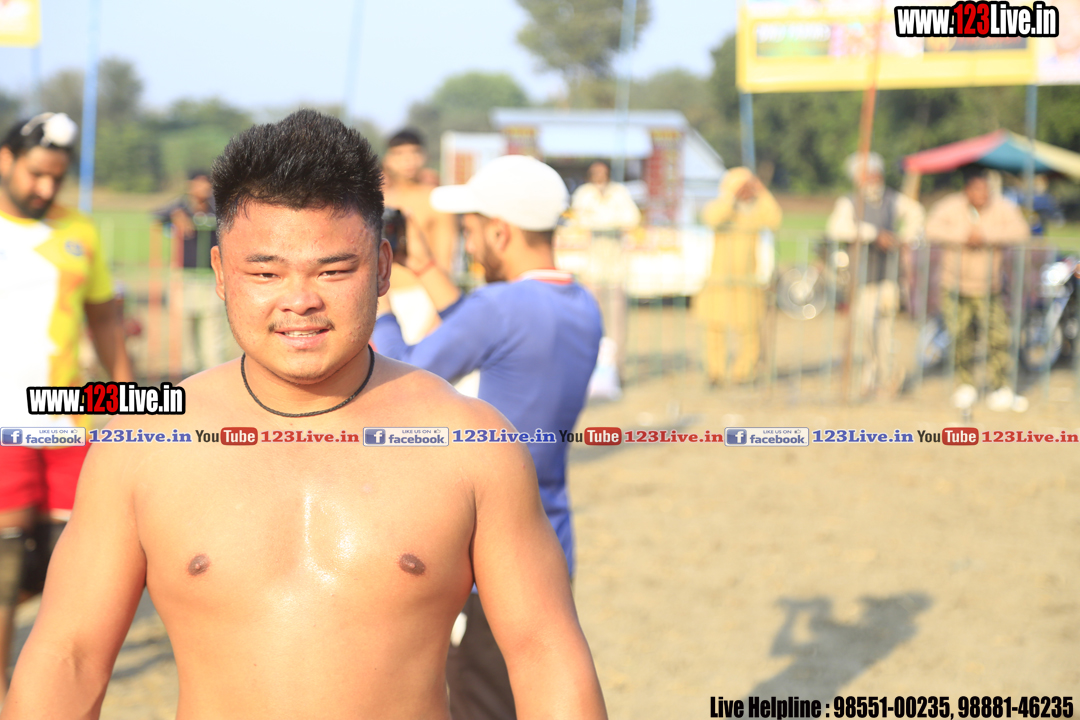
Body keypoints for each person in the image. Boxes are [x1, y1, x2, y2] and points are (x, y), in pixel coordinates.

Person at [1, 110, 607, 720]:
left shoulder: (470, 442)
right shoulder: (145, 443)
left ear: (382, 268)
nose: (299, 300)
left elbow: (544, 651)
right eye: (265, 272)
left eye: (334, 270)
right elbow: (69, 656)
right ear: (221, 273)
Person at [372, 154, 603, 720]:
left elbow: (404, 380)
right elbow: (490, 332)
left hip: (484, 556)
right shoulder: (581, 304)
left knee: (481, 705)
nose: (469, 245)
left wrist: (379, 302)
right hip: (550, 539)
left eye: (472, 231)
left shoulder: (499, 307)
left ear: (501, 232)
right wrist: (427, 269)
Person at [0, 112, 133, 704]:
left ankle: (53, 692)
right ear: (6, 159)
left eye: (56, 177)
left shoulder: (80, 230)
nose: (45, 187)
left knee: (67, 567)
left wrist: (129, 401)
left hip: (65, 420)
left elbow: (103, 318)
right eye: (36, 174)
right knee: (5, 566)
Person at [925, 165, 1031, 411]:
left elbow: (1021, 231)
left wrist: (985, 235)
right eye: (977, 190)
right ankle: (966, 385)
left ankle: (1000, 386)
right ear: (967, 190)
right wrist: (963, 235)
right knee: (959, 336)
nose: (982, 194)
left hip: (990, 287)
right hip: (954, 285)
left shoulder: (1003, 207)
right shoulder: (950, 206)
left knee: (999, 337)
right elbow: (931, 228)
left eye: (986, 190)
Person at [826, 152, 925, 396]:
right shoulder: (849, 202)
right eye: (867, 175)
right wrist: (872, 234)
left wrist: (903, 238)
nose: (872, 179)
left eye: (875, 174)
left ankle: (885, 376)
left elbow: (916, 215)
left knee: (884, 329)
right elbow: (837, 228)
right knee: (866, 329)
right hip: (862, 278)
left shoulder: (893, 200)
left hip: (888, 276)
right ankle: (873, 374)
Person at [695, 167, 782, 387]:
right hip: (719, 280)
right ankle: (715, 372)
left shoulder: (756, 211)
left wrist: (761, 191)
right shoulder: (722, 209)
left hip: (747, 281)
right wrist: (732, 196)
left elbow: (775, 220)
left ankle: (744, 372)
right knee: (714, 328)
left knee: (750, 328)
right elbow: (712, 218)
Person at [382, 129, 458, 344]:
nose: (408, 160)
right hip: (384, 297)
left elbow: (446, 261)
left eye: (414, 153)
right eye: (400, 154)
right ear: (388, 159)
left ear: (424, 156)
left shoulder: (435, 200)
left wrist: (437, 315)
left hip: (423, 296)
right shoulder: (378, 201)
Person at [154, 169, 234, 373]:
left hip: (211, 278)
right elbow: (156, 214)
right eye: (198, 184)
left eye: (206, 184)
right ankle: (188, 377)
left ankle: (214, 375)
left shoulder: (218, 208)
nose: (203, 188)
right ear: (190, 186)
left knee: (213, 332)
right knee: (184, 332)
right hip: (184, 277)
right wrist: (176, 215)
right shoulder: (180, 206)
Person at [569, 159, 640, 382]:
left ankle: (617, 369)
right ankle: (592, 369)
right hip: (592, 267)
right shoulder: (584, 194)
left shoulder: (619, 193)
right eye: (595, 172)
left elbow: (631, 219)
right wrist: (607, 222)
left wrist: (603, 222)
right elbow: (579, 221)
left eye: (602, 172)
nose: (599, 176)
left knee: (616, 321)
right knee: (591, 319)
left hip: (616, 267)